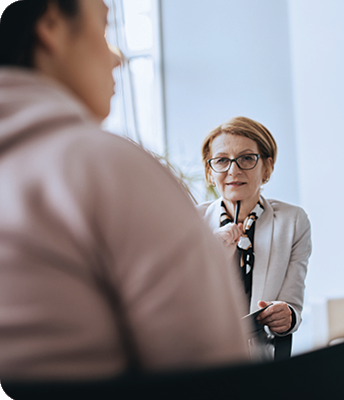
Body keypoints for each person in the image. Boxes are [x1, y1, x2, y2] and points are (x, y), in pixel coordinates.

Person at [0, 0, 249, 384]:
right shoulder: (103, 168)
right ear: (51, 25)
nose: (117, 58)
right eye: (104, 29)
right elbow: (214, 377)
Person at [198, 116, 311, 359]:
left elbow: (293, 304)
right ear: (209, 171)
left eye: (247, 158)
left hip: (262, 359)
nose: (234, 170)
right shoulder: (191, 222)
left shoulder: (293, 221)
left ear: (267, 167)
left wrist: (287, 315)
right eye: (221, 161)